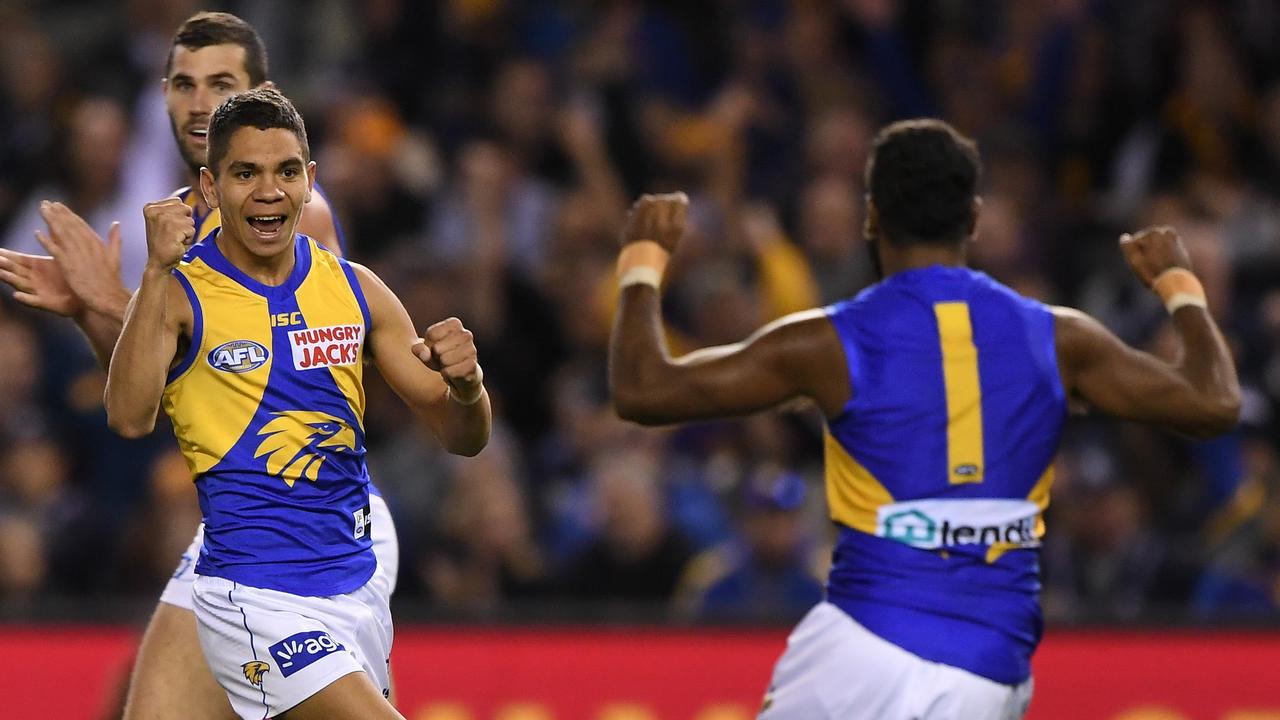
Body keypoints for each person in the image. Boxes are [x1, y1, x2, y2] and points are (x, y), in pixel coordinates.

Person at [608, 119, 1240, 719]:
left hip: (863, 650)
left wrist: (644, 259)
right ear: (974, 218)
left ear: (871, 216)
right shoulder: (1060, 339)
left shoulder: (828, 342)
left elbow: (643, 389)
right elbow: (1213, 403)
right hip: (992, 671)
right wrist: (1179, 285)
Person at [0, 13, 398, 720]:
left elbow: (265, 369)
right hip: (242, 533)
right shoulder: (181, 224)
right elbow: (149, 400)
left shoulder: (289, 219)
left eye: (221, 84)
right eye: (183, 83)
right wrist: (94, 311)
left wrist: (111, 300)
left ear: (262, 98)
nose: (198, 102)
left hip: (315, 528)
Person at [106, 87, 489, 719]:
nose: (268, 191)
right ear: (209, 187)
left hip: (355, 587)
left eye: (286, 171)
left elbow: (463, 436)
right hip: (254, 600)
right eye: (245, 173)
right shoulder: (180, 294)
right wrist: (151, 274)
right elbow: (127, 416)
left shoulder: (354, 287)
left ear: (309, 180)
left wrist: (469, 386)